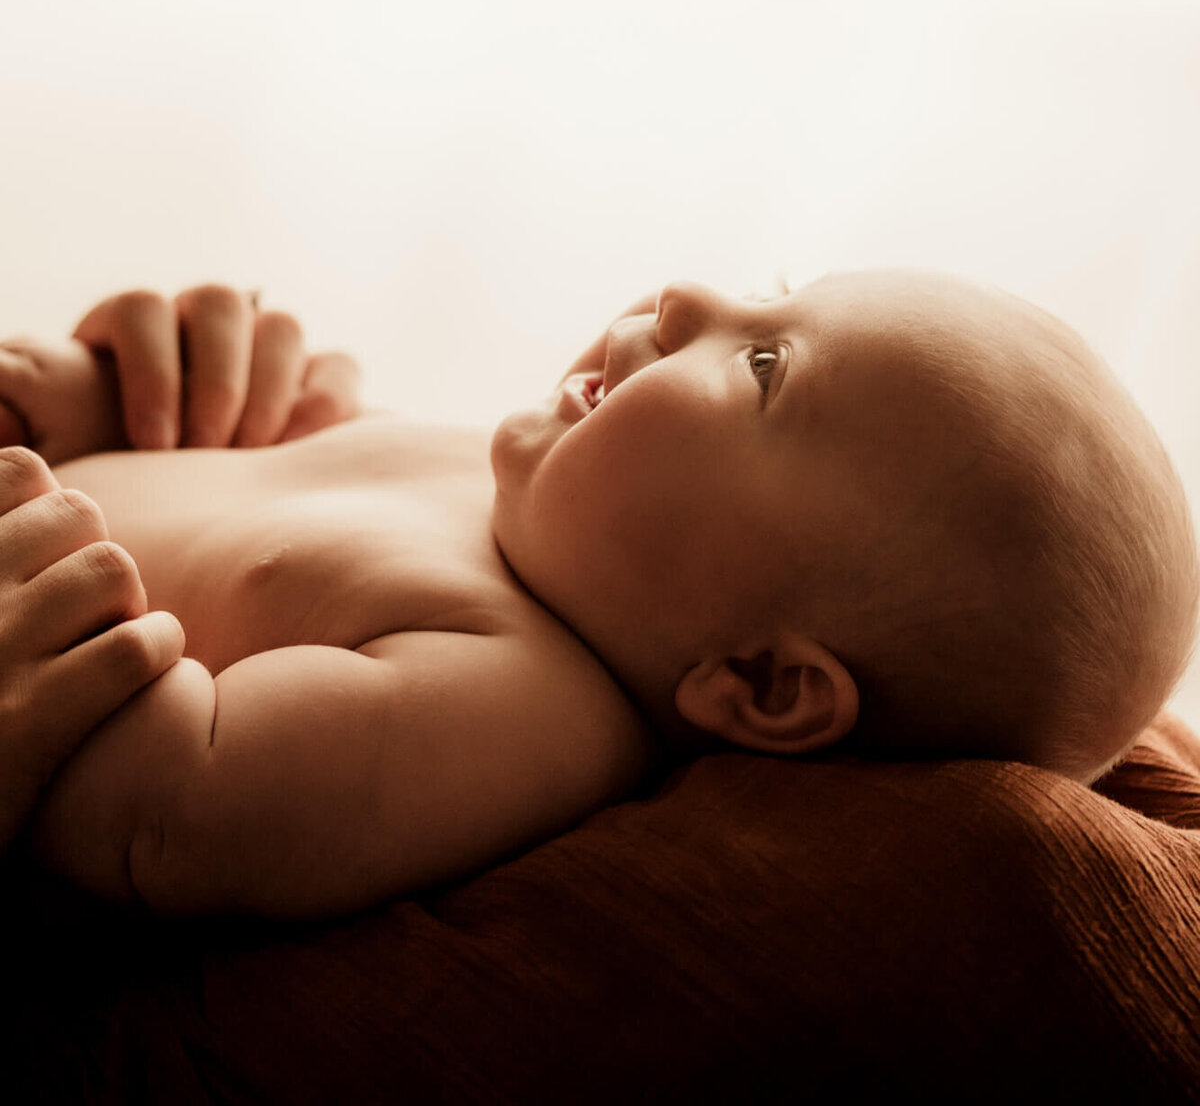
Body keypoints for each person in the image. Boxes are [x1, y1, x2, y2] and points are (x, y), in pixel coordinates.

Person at [2, 270, 1196, 921]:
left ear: (765, 685)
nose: (683, 300)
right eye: (772, 289)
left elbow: (162, 815)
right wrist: (106, 408)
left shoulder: (512, 705)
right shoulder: (514, 493)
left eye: (766, 364)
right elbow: (229, 467)